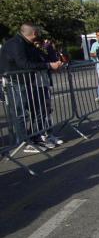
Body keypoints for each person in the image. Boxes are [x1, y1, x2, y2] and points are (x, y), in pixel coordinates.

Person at [0, 23, 63, 151]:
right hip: (16, 82)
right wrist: (48, 66)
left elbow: (39, 60)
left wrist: (51, 63)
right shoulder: (16, 44)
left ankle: (36, 136)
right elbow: (23, 63)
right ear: (34, 33)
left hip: (28, 82)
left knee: (39, 109)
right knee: (21, 113)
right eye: (38, 32)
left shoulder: (27, 44)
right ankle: (25, 141)